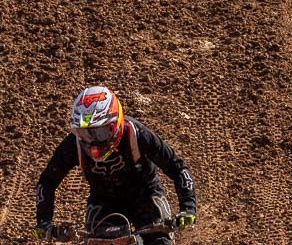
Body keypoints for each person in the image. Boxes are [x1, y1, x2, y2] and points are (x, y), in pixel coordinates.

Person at [34, 86, 197, 243]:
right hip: (104, 201)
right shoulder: (74, 144)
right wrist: (44, 222)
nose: (92, 141)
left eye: (100, 132)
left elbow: (178, 167)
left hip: (146, 195)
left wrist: (188, 208)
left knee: (160, 241)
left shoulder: (136, 134)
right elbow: (47, 181)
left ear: (116, 123)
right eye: (85, 132)